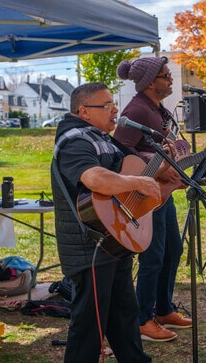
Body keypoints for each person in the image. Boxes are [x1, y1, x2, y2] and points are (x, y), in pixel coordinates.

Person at [51, 82, 156, 363]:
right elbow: (94, 178)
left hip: (114, 239)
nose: (115, 110)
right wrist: (137, 181)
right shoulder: (74, 140)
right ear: (84, 111)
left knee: (124, 314)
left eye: (113, 103)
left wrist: (159, 177)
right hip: (90, 247)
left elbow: (129, 179)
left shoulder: (102, 137)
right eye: (107, 105)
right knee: (89, 326)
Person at [114, 56, 192, 342]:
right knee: (153, 257)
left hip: (162, 192)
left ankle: (163, 309)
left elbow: (166, 146)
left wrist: (175, 166)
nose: (170, 79)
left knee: (173, 250)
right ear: (149, 82)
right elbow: (121, 149)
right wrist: (157, 167)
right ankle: (142, 319)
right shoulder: (136, 109)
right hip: (144, 194)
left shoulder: (157, 109)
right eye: (165, 75)